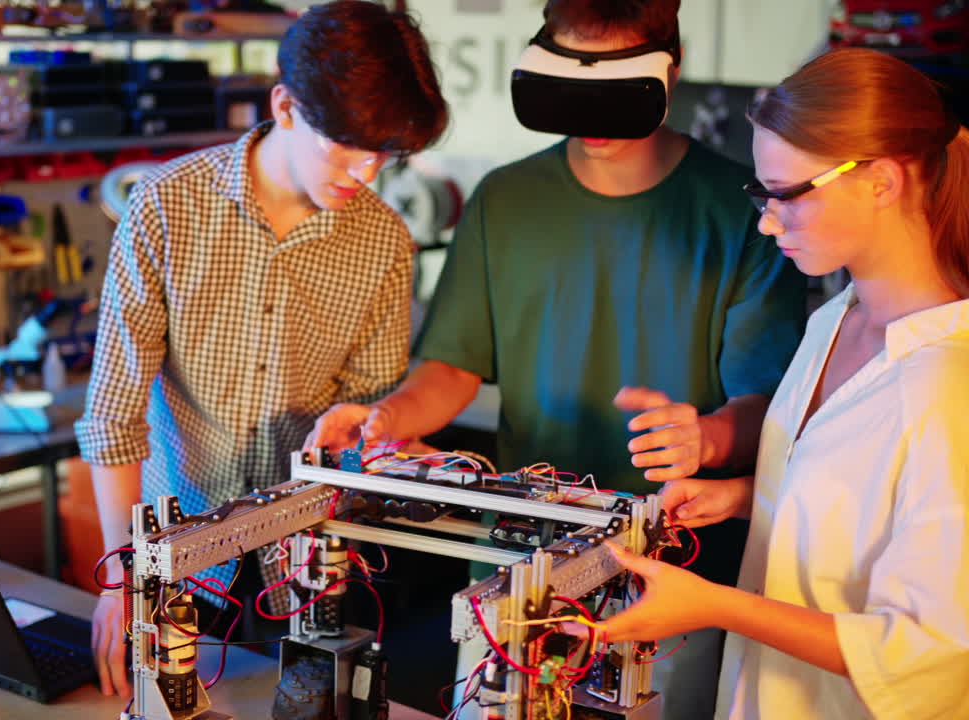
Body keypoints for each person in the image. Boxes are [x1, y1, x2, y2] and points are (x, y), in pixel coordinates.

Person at [305, 1, 805, 716]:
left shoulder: (748, 211)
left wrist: (706, 438)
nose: (591, 117)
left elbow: (770, 409)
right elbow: (452, 367)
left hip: (673, 576)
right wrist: (386, 418)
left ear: (668, 72)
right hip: (518, 565)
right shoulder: (505, 200)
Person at [73, 0, 448, 698]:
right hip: (175, 553)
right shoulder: (166, 206)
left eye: (384, 153)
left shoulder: (385, 243)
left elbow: (366, 413)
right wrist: (124, 574)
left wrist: (374, 435)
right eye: (346, 145)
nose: (366, 172)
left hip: (308, 562)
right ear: (285, 106)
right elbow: (113, 414)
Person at [599, 48, 969, 719]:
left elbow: (929, 648)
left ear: (882, 181)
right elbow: (872, 508)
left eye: (789, 195)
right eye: (761, 195)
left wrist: (714, 605)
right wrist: (750, 497)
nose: (768, 222)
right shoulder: (836, 320)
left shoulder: (948, 379)